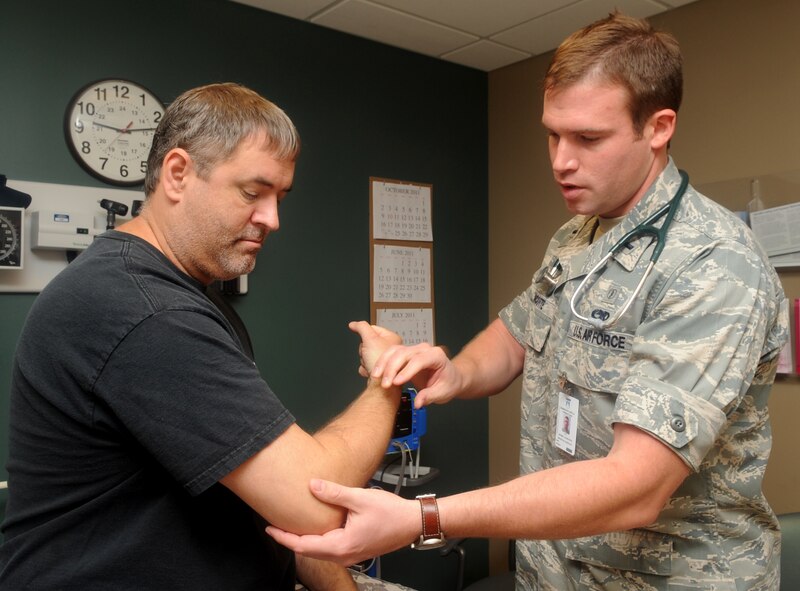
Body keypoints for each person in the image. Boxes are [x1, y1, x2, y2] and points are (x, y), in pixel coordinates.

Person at [267, 13, 789, 590]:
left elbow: (637, 486)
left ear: (658, 127)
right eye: (552, 133)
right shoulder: (577, 236)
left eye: (588, 138)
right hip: (553, 572)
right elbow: (518, 333)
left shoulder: (713, 264)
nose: (560, 160)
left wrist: (425, 517)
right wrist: (456, 372)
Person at [0, 83, 408, 591]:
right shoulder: (141, 309)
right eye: (252, 192)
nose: (272, 219)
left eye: (280, 197)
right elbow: (313, 505)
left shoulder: (193, 297)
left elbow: (263, 493)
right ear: (178, 174)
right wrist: (386, 381)